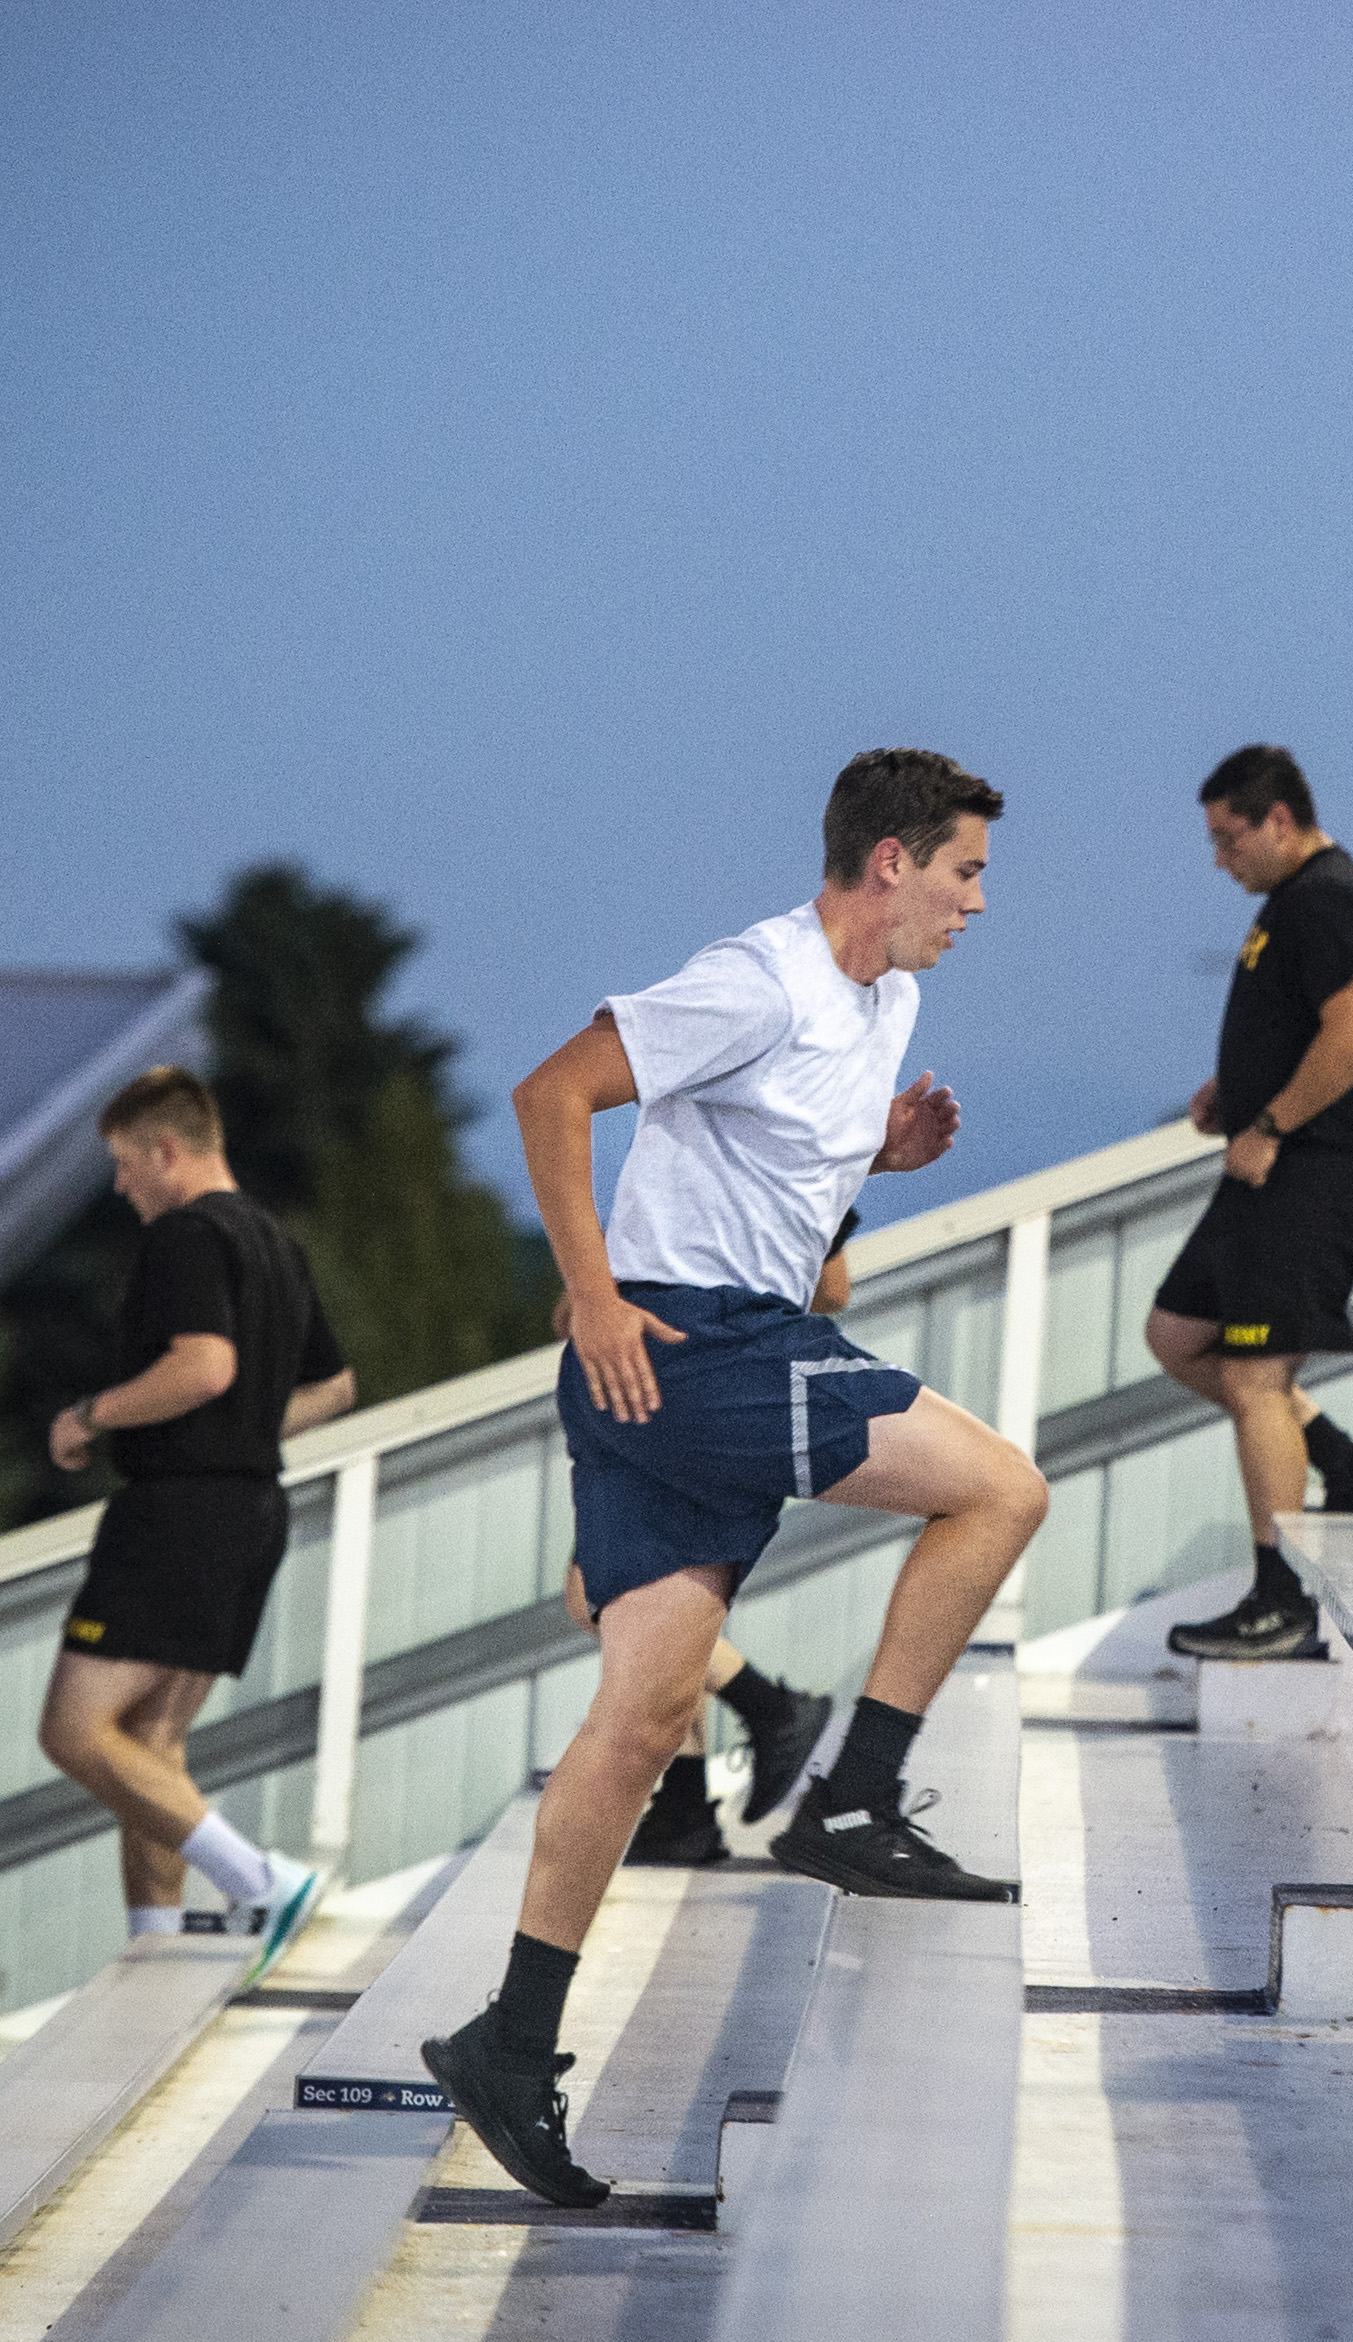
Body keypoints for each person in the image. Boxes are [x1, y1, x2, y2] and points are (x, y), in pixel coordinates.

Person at [425, 749, 1051, 2209]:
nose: (975, 903)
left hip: (702, 1351)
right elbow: (550, 1093)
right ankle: (854, 1797)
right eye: (963, 872)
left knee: (645, 1717)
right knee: (1000, 1490)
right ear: (890, 862)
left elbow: (784, 1190)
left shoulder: (887, 1004)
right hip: (686, 1343)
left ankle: (510, 2043)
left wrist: (876, 1158)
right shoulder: (755, 979)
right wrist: (590, 1295)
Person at [33, 1066, 353, 1969]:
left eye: (124, 1162)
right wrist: (246, 1429)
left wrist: (90, 1414)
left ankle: (263, 1882)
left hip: (178, 1511)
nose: (118, 1184)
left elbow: (205, 1366)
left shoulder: (184, 1234)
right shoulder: (275, 1243)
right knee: (149, 1745)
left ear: (166, 1149)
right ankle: (157, 1945)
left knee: (72, 1731)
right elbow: (335, 1385)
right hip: (249, 1509)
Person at [1154, 745, 1353, 1664]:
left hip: (1311, 1173)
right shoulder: (1293, 901)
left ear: (1277, 819)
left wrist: (1269, 1121)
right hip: (1270, 1172)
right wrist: (1235, 1092)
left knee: (1255, 1380)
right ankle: (1346, 1463)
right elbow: (1302, 1026)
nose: (1220, 858)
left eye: (1229, 838)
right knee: (1176, 1334)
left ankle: (1281, 1598)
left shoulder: (1325, 897)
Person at [580, 1213, 859, 1871]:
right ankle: (688, 1802)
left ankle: (765, 1713)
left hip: (688, 1373)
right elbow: (831, 1289)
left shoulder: (746, 1164)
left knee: (614, 1591)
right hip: (694, 1370)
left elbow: (831, 1287)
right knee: (654, 1591)